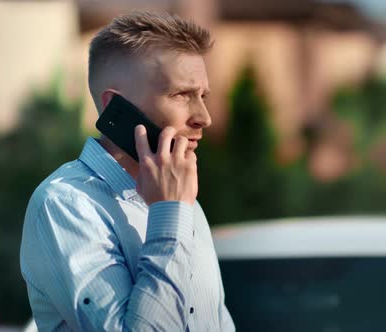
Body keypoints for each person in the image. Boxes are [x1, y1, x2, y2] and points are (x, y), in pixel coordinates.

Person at [20, 10, 235, 331]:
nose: (204, 117)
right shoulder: (66, 204)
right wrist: (169, 214)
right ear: (115, 108)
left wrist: (174, 207)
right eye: (181, 94)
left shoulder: (184, 201)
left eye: (203, 96)